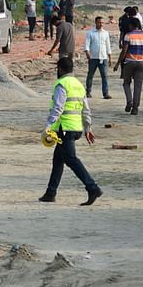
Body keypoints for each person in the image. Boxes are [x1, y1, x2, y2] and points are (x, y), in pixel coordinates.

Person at [39, 57, 102, 206]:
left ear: (60, 69)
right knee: (58, 160)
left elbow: (58, 108)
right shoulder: (79, 85)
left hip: (65, 128)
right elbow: (86, 109)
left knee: (71, 159)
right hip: (76, 128)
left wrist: (48, 126)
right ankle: (50, 192)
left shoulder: (62, 84)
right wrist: (88, 128)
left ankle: (92, 187)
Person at [114, 17, 143, 115]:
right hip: (141, 63)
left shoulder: (128, 35)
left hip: (129, 63)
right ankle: (135, 108)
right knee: (138, 86)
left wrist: (117, 63)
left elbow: (124, 51)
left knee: (126, 83)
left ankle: (129, 101)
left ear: (132, 25)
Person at [83, 16, 112, 99]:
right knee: (90, 75)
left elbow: (108, 46)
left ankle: (105, 93)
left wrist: (110, 57)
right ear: (96, 23)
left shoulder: (106, 33)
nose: (101, 24)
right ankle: (88, 91)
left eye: (102, 22)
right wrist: (87, 53)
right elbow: (87, 44)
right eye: (99, 22)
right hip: (93, 58)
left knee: (105, 76)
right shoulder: (90, 33)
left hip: (103, 58)